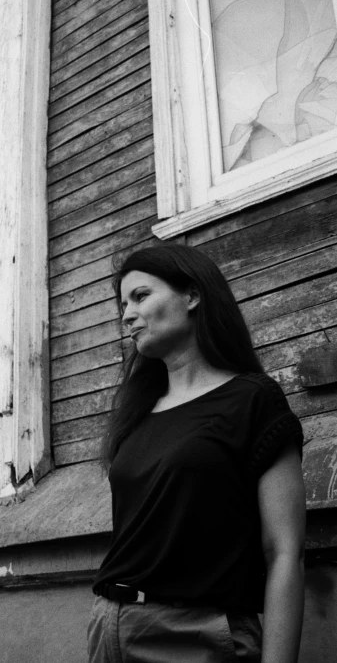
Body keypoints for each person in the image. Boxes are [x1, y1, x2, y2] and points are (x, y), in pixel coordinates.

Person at [88, 244, 305, 663]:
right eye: (122, 304)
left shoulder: (251, 400)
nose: (126, 315)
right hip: (109, 629)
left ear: (192, 295)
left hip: (193, 637)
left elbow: (285, 551)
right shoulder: (139, 415)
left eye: (141, 296)